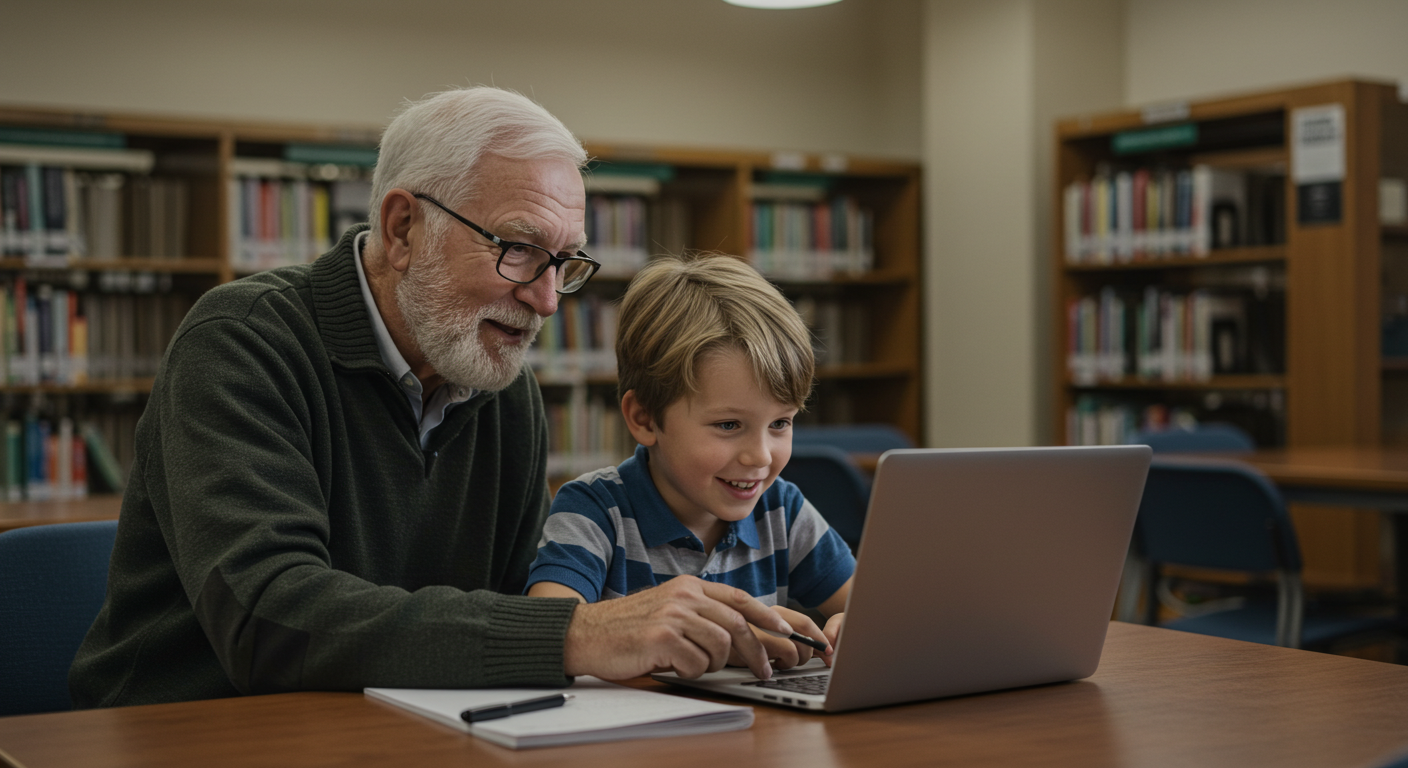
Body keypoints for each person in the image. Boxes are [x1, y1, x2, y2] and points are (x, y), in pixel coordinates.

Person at [69, 87, 792, 708]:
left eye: (564, 263)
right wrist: (581, 633)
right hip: (191, 729)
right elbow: (269, 617)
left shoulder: (504, 390)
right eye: (518, 249)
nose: (546, 300)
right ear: (403, 227)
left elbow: (515, 607)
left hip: (407, 728)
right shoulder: (242, 342)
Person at [527, 254, 856, 670]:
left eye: (780, 423)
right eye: (728, 424)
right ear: (644, 419)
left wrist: (860, 623)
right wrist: (713, 640)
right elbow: (548, 629)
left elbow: (875, 606)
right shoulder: (593, 512)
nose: (760, 455)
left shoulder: (782, 510)